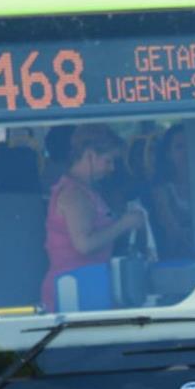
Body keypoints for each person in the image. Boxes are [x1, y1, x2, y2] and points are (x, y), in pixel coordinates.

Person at [41, 124, 146, 310]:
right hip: (74, 288)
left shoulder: (85, 190)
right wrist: (124, 223)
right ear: (90, 155)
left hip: (87, 284)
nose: (112, 168)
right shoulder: (74, 194)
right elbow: (84, 244)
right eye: (108, 161)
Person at [148, 125, 193, 259]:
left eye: (189, 145)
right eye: (179, 147)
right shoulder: (162, 191)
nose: (186, 151)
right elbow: (172, 232)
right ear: (168, 154)